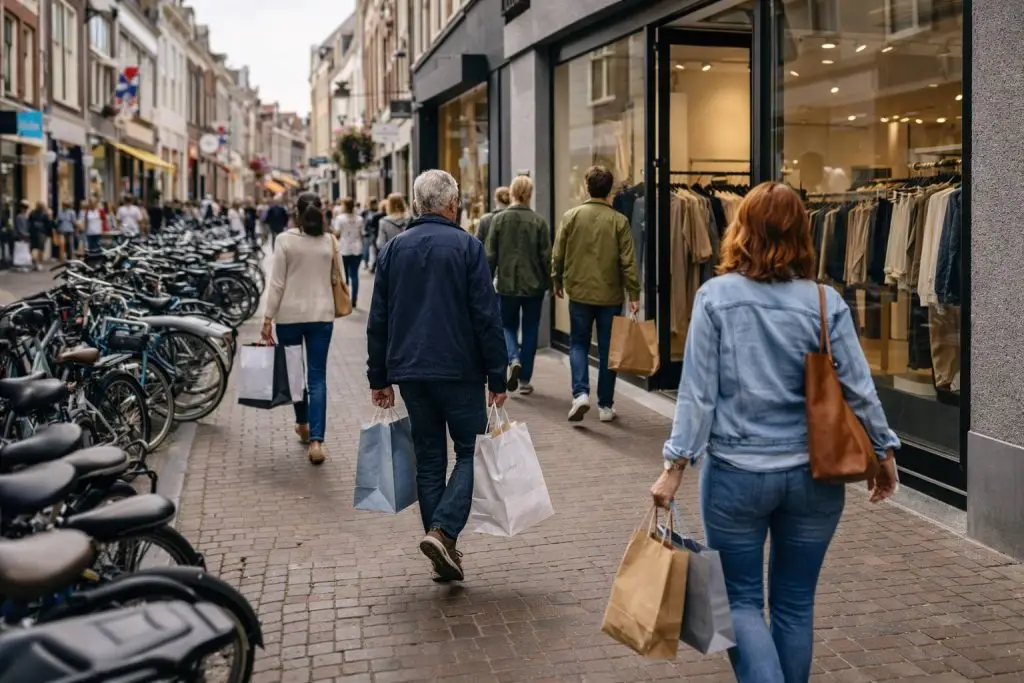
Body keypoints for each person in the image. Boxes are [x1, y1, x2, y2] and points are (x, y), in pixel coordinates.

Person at [650, 182, 900, 683]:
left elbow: (698, 394)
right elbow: (857, 389)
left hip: (736, 477)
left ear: (742, 229)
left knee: (741, 601)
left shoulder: (716, 298)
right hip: (815, 477)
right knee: (795, 603)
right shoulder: (826, 303)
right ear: (802, 234)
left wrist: (674, 468)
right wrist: (884, 450)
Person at [367, 169, 507, 583]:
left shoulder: (393, 250)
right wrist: (498, 376)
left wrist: (379, 377)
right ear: (451, 204)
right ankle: (443, 532)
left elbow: (379, 320)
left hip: (410, 371)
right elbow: (487, 318)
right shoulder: (468, 247)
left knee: (429, 459)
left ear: (416, 204)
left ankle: (440, 547)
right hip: (460, 371)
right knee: (472, 451)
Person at [552, 165, 640, 423]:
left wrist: (556, 279)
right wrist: (634, 293)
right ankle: (605, 405)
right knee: (608, 350)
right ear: (610, 189)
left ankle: (580, 393)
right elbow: (628, 261)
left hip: (579, 291)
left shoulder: (571, 216)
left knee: (578, 343)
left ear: (587, 186)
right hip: (611, 295)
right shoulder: (619, 221)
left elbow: (558, 253)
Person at [261, 191, 336, 466]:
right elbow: (333, 278)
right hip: (321, 316)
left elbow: (277, 283)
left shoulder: (284, 241)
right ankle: (317, 441)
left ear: (296, 213)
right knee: (318, 378)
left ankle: (302, 424)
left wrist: (267, 317)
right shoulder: (329, 241)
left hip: (289, 318)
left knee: (296, 375)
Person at [485, 175, 550, 396]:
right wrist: (551, 283)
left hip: (506, 284)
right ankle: (525, 380)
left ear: (512, 192)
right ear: (530, 194)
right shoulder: (538, 222)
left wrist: (485, 283)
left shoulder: (499, 220)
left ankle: (513, 358)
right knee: (531, 329)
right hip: (534, 286)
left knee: (506, 326)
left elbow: (490, 255)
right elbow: (546, 257)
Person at [331, 198, 364, 307]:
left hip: (343, 248)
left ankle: (346, 298)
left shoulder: (340, 219)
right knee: (354, 275)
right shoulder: (359, 219)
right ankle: (354, 299)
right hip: (357, 248)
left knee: (344, 275)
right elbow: (362, 233)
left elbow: (337, 234)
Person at [27, 202, 51, 270]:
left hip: (34, 233)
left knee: (34, 248)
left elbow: (29, 222)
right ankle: (39, 263)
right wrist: (48, 234)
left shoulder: (32, 213)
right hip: (42, 233)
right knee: (40, 249)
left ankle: (36, 262)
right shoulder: (45, 214)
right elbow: (48, 225)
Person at [361, 198, 382, 271]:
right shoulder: (365, 212)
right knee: (366, 249)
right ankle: (366, 262)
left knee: (375, 249)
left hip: (375, 233)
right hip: (367, 233)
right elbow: (362, 222)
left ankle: (374, 265)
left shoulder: (379, 212)